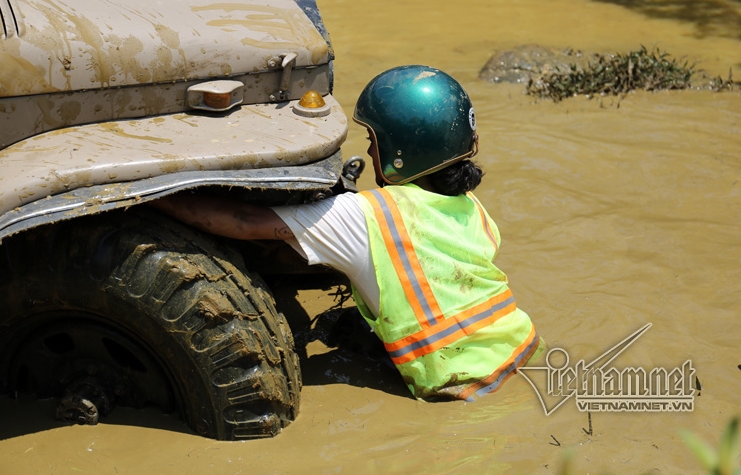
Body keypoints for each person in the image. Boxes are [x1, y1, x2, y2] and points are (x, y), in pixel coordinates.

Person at [151, 65, 541, 401]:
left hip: (463, 388)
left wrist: (151, 195)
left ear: (401, 152)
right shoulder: (472, 207)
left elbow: (244, 222)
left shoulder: (368, 215)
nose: (369, 153)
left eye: (373, 142)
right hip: (523, 353)